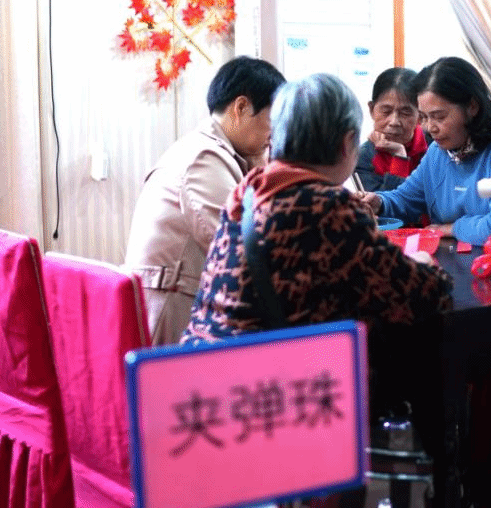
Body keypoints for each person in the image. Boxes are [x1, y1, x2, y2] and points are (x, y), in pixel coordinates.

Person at [184, 72, 452, 347]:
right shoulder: (329, 208)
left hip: (206, 362)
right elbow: (425, 294)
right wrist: (423, 262)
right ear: (347, 142)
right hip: (268, 369)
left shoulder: (249, 192)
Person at [123, 56, 286, 345]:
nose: (274, 134)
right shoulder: (204, 158)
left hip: (183, 308)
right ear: (241, 107)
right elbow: (243, 250)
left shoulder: (215, 151)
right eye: (273, 120)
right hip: (173, 319)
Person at [360, 56, 491, 250]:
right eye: (424, 117)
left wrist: (452, 228)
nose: (430, 128)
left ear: (472, 107)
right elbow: (406, 199)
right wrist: (380, 202)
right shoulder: (438, 152)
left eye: (439, 117)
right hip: (463, 263)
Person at [355, 67, 429, 192]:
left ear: (420, 116)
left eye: (405, 113)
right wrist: (399, 157)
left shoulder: (435, 148)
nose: (394, 122)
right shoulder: (363, 158)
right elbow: (382, 203)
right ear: (371, 110)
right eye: (386, 111)